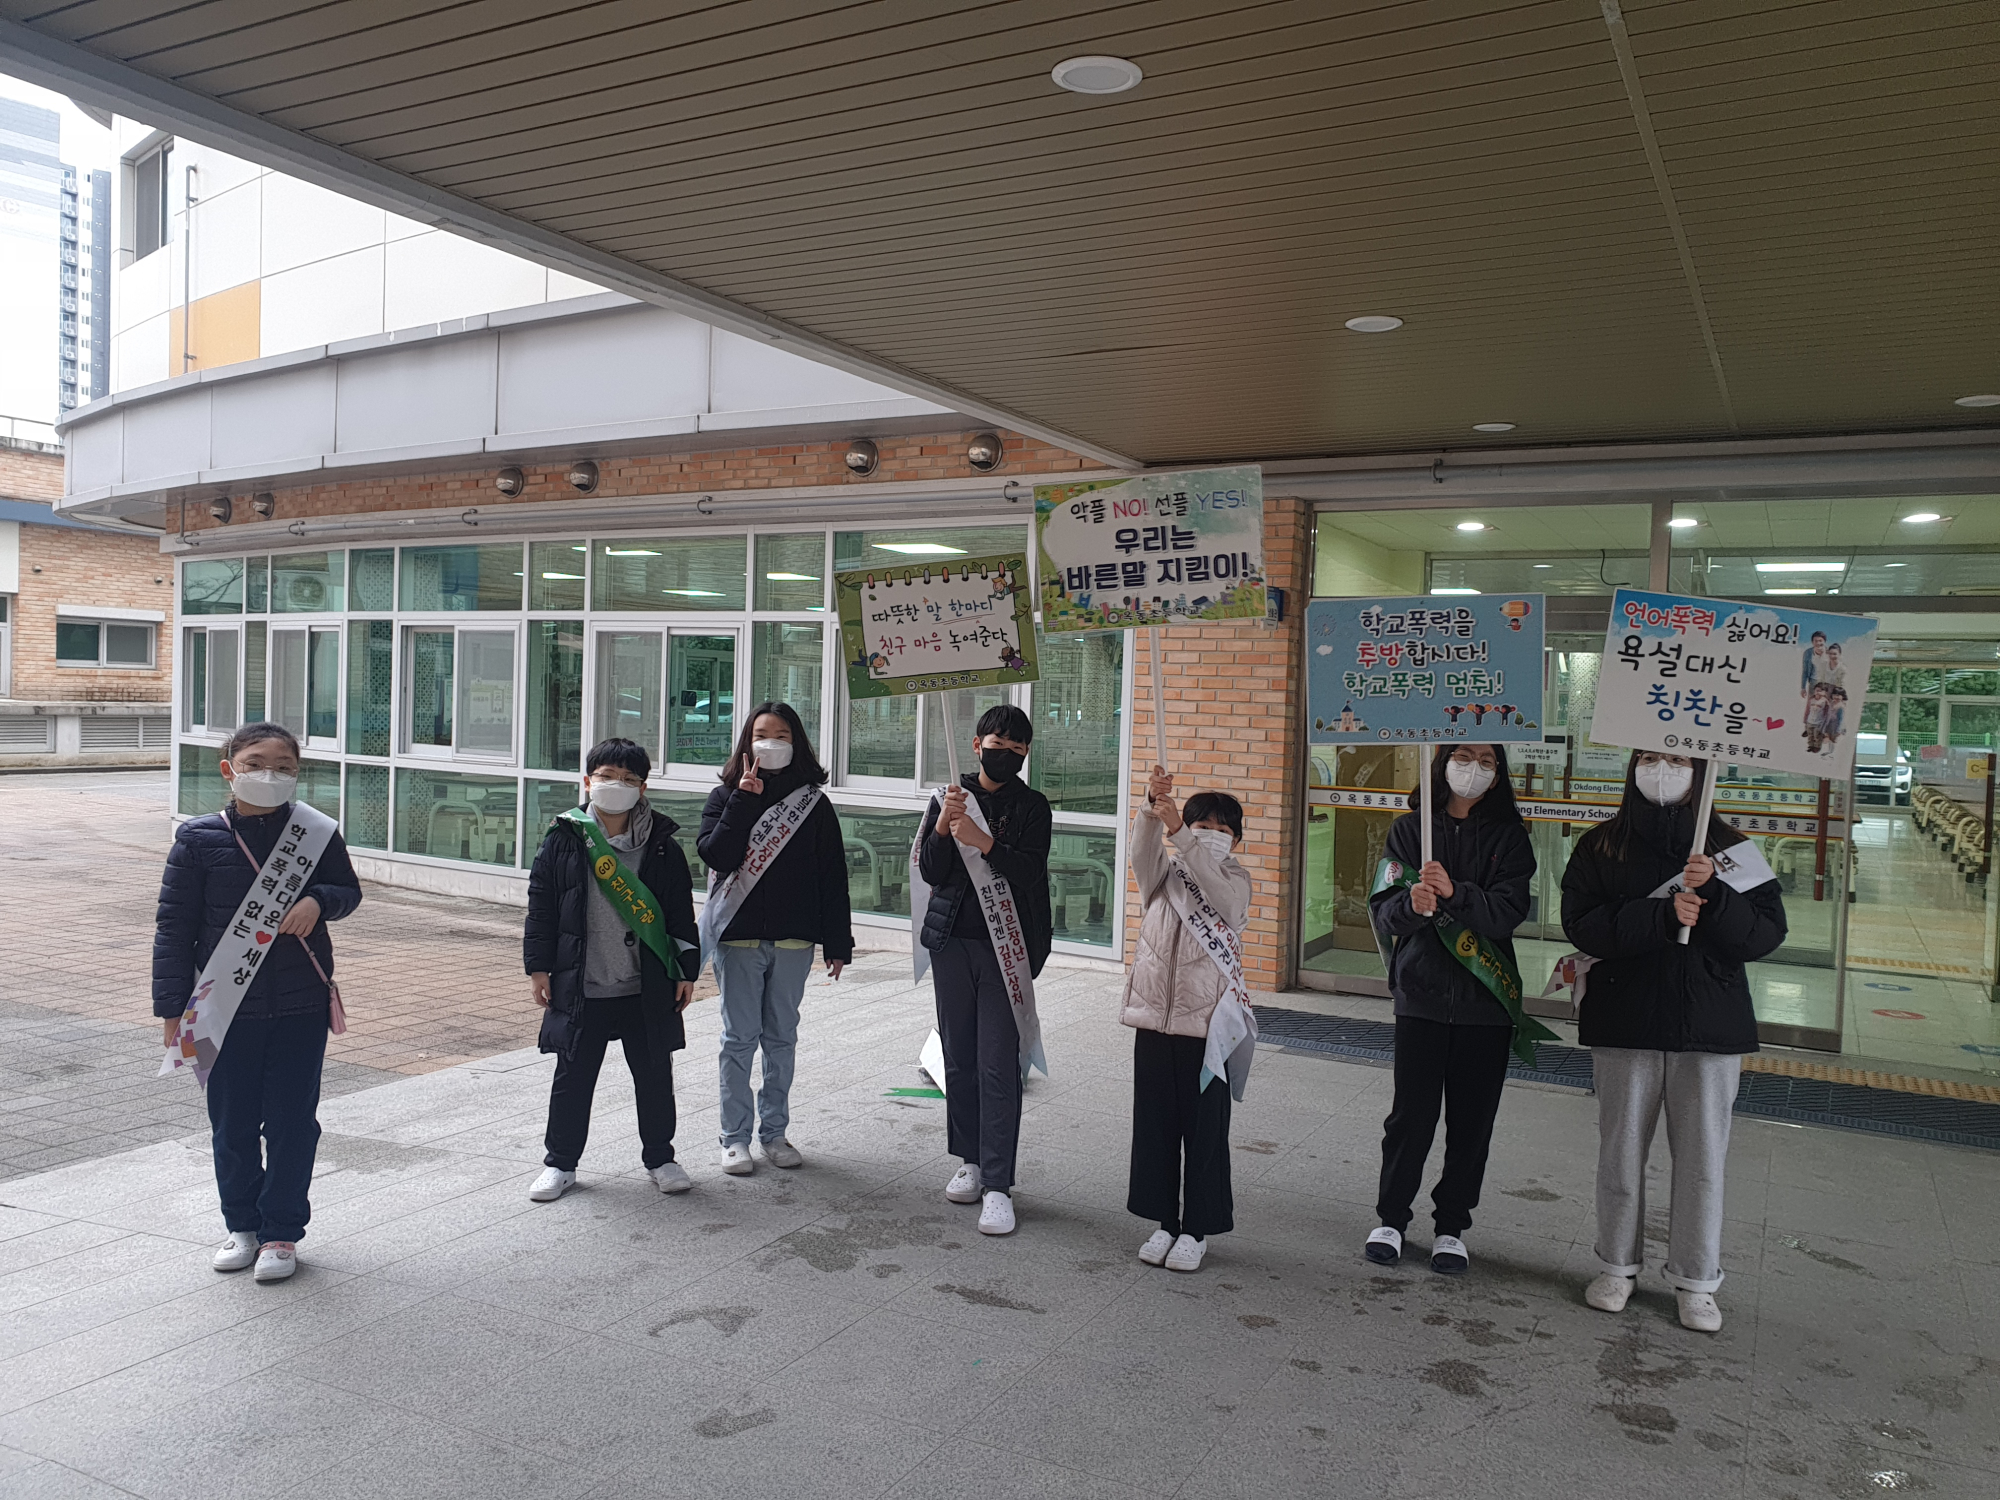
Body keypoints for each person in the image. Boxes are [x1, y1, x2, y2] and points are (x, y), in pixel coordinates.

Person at [1562, 750, 1786, 1332]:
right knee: (1620, 1151)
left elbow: (1764, 935)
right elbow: (1582, 922)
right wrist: (1659, 917)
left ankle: (1697, 1279)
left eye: (1677, 759)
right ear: (1633, 766)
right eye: (1652, 758)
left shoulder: (1732, 850)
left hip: (1708, 1027)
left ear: (1701, 771)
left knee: (1704, 1159)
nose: (1664, 769)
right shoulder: (1601, 845)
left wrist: (1715, 895)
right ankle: (1616, 1265)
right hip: (1625, 1021)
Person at [154, 722, 362, 1283]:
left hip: (300, 1006)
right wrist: (171, 1010)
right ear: (229, 769)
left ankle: (281, 1234)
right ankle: (241, 1226)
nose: (269, 774)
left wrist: (319, 901)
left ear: (298, 773)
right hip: (223, 1007)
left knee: (294, 1123)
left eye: (283, 766)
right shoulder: (197, 839)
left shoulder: (315, 833)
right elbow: (174, 929)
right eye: (255, 763)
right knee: (232, 1123)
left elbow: (348, 891)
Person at [1364, 743, 1536, 1275]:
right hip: (1420, 997)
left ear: (1499, 772)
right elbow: (1383, 909)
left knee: (1472, 1123)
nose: (1474, 768)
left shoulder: (1510, 837)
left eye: (1487, 761)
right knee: (1409, 1117)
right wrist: (1411, 907)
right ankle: (1391, 1218)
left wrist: (1456, 892)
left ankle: (1451, 1227)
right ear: (1442, 761)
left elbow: (1508, 912)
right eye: (1465, 755)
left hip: (1486, 1003)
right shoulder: (1410, 830)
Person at [524, 737, 699, 1202]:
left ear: (643, 788)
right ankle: (560, 1164)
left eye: (627, 779)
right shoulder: (565, 837)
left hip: (646, 984)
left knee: (655, 1077)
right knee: (572, 1080)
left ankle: (661, 1157)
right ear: (587, 782)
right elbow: (540, 906)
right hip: (583, 982)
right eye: (605, 776)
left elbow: (680, 912)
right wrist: (538, 967)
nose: (615, 786)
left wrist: (686, 969)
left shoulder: (663, 844)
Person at [697, 702, 853, 1175]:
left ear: (796, 743)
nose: (771, 742)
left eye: (781, 735)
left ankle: (775, 1132)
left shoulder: (813, 804)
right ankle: (734, 1137)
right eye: (761, 733)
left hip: (793, 941)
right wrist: (744, 799)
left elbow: (833, 876)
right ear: (747, 741)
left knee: (781, 1038)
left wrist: (837, 943)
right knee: (738, 1039)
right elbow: (715, 854)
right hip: (739, 940)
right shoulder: (724, 796)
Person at [918, 702, 1052, 1237]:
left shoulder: (1033, 806)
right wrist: (947, 830)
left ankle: (999, 1184)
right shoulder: (949, 798)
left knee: (999, 1064)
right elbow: (931, 871)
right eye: (998, 746)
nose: (1007, 756)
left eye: (1018, 749)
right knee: (959, 1059)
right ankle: (969, 1161)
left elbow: (1027, 870)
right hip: (951, 944)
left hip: (1007, 949)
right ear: (976, 745)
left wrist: (982, 840)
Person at [1122, 768, 1252, 1273]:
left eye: (1221, 829)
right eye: (1201, 825)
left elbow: (1221, 898)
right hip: (1154, 1019)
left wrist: (1181, 834)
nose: (1209, 835)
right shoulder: (1163, 877)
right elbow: (1140, 855)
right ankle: (1163, 1223)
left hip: (1209, 1030)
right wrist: (1151, 808)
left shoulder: (1236, 882)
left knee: (1204, 1132)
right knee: (1154, 1127)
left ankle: (1197, 1228)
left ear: (1236, 839)